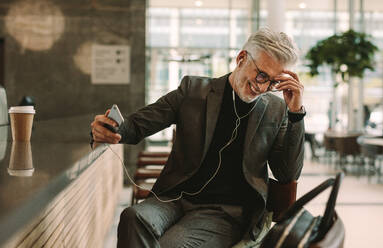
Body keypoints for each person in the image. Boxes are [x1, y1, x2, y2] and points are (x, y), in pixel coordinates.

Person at [90, 27, 305, 248]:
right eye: (261, 75)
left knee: (171, 245)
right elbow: (137, 126)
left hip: (225, 212)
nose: (262, 87)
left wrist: (296, 113)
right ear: (241, 58)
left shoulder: (276, 109)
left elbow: (287, 173)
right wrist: (111, 129)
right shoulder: (194, 91)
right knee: (132, 217)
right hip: (173, 199)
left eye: (273, 83)